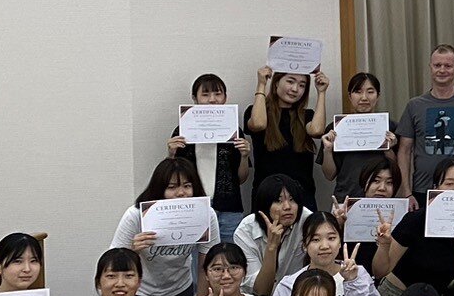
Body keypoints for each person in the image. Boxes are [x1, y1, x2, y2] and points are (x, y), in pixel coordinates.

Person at [370, 157, 454, 296]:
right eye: (449, 183)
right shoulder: (416, 220)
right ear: (436, 189)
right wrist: (384, 245)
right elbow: (380, 271)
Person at [110, 157, 208, 296]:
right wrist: (132, 251)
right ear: (159, 189)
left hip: (180, 289)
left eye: (187, 186)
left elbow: (205, 264)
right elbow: (113, 261)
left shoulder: (205, 214)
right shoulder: (135, 215)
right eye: (172, 187)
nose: (181, 193)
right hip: (142, 292)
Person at [396, 43, 454, 203]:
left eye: (448, 66)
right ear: (430, 67)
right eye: (437, 65)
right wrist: (406, 192)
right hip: (422, 190)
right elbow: (404, 151)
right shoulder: (414, 105)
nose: (442, 70)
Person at [167, 72, 252, 245]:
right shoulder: (183, 131)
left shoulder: (234, 132)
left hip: (229, 208)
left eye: (217, 94)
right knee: (195, 256)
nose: (212, 99)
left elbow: (241, 179)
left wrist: (244, 156)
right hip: (193, 207)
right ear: (195, 98)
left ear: (225, 98)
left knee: (230, 254)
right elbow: (171, 176)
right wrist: (171, 155)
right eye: (205, 94)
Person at [246, 63, 328, 210]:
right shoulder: (256, 111)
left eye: (302, 85)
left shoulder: (306, 115)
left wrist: (321, 92)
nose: (295, 89)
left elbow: (317, 131)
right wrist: (261, 84)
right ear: (276, 82)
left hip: (302, 195)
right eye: (290, 81)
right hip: (267, 195)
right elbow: (258, 124)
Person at [319, 71, 400, 202]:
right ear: (350, 96)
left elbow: (397, 172)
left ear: (378, 96)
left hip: (381, 198)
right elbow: (329, 175)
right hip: (346, 198)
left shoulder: (391, 128)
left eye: (370, 92)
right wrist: (327, 150)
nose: (364, 97)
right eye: (358, 92)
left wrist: (389, 149)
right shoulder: (336, 128)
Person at [233, 175, 314, 296]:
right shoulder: (245, 231)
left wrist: (338, 224)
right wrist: (271, 247)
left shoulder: (307, 220)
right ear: (265, 206)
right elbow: (261, 291)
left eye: (292, 200)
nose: (287, 207)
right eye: (279, 201)